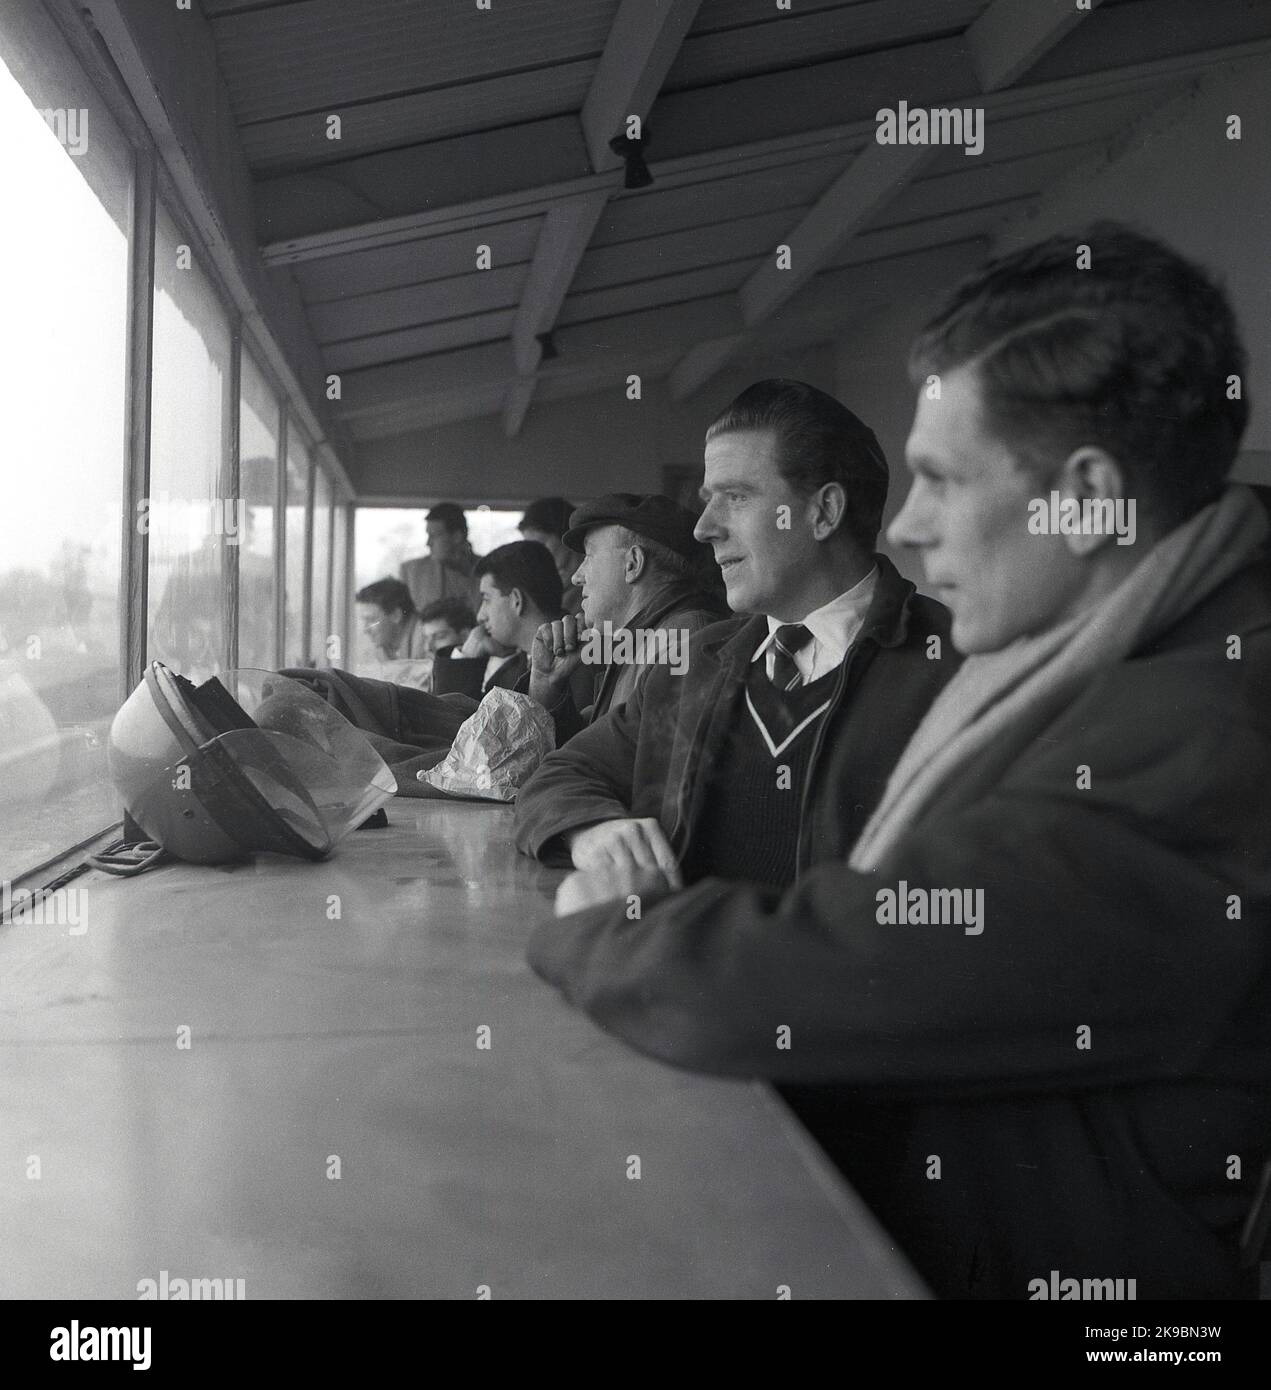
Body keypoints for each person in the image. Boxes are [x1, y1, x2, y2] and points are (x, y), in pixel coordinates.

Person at [523, 224, 1271, 1301]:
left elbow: (850, 963)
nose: (909, 529)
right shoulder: (1093, 667)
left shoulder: (1206, 733)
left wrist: (607, 928)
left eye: (940, 479)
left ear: (1086, 494)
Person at [514, 378, 956, 894]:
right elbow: (559, 773)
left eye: (735, 497)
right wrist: (592, 830)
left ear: (824, 512)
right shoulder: (698, 661)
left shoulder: (956, 665)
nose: (704, 528)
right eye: (708, 500)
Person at [526, 493, 728, 742]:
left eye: (589, 556)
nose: (577, 577)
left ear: (633, 564)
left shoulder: (685, 639)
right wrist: (547, 684)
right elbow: (595, 750)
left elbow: (633, 771)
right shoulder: (645, 638)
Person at [433, 540, 565, 699]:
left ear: (516, 600)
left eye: (487, 599)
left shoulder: (581, 665)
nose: (480, 616)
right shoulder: (507, 675)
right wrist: (467, 656)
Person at [399, 502, 480, 612]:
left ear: (457, 536)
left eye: (434, 536)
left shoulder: (488, 570)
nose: (428, 543)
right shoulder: (411, 572)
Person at [520, 497, 583, 616]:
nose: (535, 555)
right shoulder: (541, 585)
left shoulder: (594, 584)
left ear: (566, 536)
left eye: (541, 544)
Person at [355, 578, 429, 661]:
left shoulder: (428, 640)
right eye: (365, 621)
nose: (366, 630)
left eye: (371, 620)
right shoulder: (385, 643)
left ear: (396, 615)